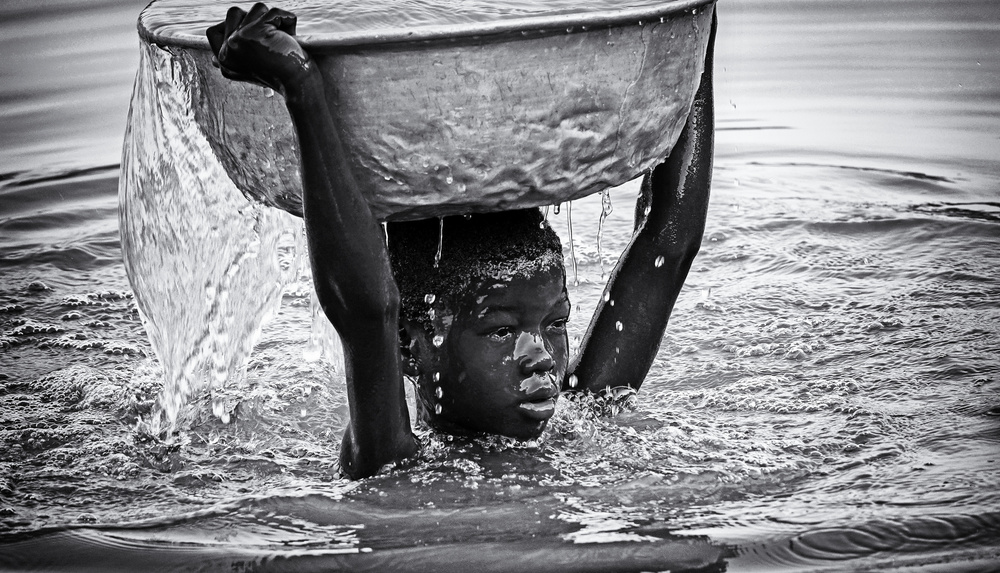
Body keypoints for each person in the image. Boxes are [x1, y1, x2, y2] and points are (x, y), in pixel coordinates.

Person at [206, 3, 715, 479]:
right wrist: (301, 85)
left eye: (555, 322)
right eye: (500, 330)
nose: (539, 355)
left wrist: (693, 41)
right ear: (410, 347)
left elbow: (669, 246)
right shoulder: (393, 459)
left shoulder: (581, 415)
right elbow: (367, 313)